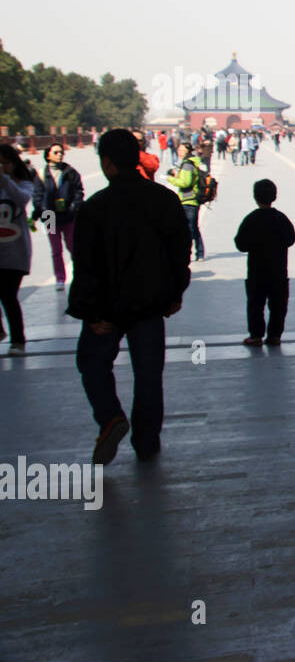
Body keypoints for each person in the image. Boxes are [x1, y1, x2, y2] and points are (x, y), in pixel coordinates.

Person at [68, 129, 191, 464]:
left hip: (106, 308)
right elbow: (181, 248)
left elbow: (86, 265)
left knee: (92, 363)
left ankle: (110, 417)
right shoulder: (164, 200)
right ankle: (147, 441)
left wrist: (90, 313)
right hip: (150, 305)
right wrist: (175, 291)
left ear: (107, 164)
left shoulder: (94, 209)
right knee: (149, 374)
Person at [235, 179, 295, 347]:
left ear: (255, 197)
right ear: (274, 196)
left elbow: (240, 244)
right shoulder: (281, 218)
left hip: (256, 271)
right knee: (278, 305)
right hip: (278, 271)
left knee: (255, 304)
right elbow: (291, 239)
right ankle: (275, 335)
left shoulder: (251, 219)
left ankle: (255, 336)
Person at [31, 142, 84, 291]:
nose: (60, 154)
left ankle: (78, 274)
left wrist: (74, 207)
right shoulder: (41, 174)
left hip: (68, 214)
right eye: (56, 152)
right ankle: (60, 278)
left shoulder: (70, 172)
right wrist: (42, 209)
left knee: (73, 247)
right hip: (49, 215)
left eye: (61, 152)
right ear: (48, 155)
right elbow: (37, 195)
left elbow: (78, 191)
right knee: (56, 250)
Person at [0, 143, 36, 353]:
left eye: (5, 163)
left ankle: (18, 340)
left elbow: (23, 199)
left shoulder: (23, 183)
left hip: (16, 250)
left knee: (8, 294)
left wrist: (4, 180)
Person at [166, 143, 206, 261]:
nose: (179, 152)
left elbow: (185, 183)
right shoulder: (190, 162)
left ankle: (192, 253)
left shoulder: (188, 164)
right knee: (193, 227)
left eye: (182, 150)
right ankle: (199, 252)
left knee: (189, 229)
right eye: (178, 149)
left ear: (188, 151)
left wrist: (169, 179)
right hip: (190, 199)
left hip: (189, 200)